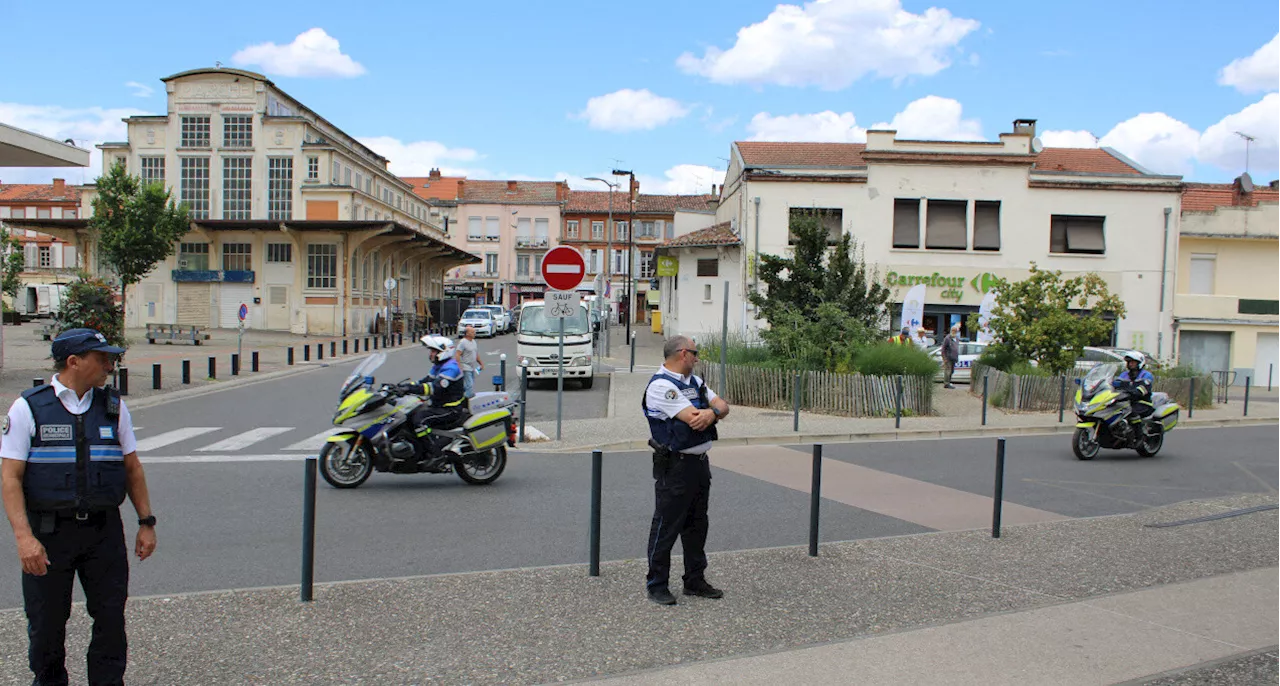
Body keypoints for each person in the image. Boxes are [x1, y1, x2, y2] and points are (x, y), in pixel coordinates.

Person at [1, 328, 157, 686]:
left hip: (103, 532)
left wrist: (146, 521)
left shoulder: (114, 407)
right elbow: (10, 478)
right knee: (46, 622)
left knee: (110, 618)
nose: (109, 364)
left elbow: (132, 467)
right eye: (101, 357)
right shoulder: (29, 407)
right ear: (74, 362)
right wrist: (24, 538)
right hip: (49, 533)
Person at [642, 335, 731, 606]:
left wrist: (712, 414)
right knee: (666, 527)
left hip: (699, 463)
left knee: (697, 525)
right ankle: (657, 584)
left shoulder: (695, 381)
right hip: (675, 465)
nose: (697, 357)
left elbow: (723, 406)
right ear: (683, 354)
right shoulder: (661, 386)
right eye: (695, 353)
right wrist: (709, 413)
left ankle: (695, 580)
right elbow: (693, 419)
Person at [413, 335, 470, 457]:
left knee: (419, 420)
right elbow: (425, 381)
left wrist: (410, 388)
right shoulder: (439, 366)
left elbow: (433, 387)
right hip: (439, 406)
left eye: (434, 351)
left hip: (450, 409)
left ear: (444, 351)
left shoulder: (451, 368)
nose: (431, 354)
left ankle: (432, 451)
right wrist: (402, 387)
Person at [1112, 351, 1155, 420]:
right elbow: (1114, 384)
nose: (1130, 364)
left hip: (1142, 402)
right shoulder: (1124, 375)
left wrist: (1132, 392)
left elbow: (1143, 389)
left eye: (1133, 362)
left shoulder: (1146, 375)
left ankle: (1140, 430)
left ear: (1139, 363)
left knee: (1131, 413)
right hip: (1125, 402)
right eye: (1129, 362)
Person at [456, 326, 483, 399]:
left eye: (474, 332)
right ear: (467, 334)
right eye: (472, 332)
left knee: (468, 384)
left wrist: (481, 363)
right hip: (465, 366)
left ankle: (459, 396)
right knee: (469, 385)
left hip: (472, 366)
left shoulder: (473, 342)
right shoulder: (463, 342)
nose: (474, 333)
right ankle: (466, 400)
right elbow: (457, 354)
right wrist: (459, 366)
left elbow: (476, 354)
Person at [941, 324, 961, 389]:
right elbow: (943, 349)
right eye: (952, 330)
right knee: (948, 371)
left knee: (952, 371)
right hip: (948, 357)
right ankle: (946, 383)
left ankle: (949, 382)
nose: (954, 332)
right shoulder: (947, 338)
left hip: (954, 358)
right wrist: (944, 358)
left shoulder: (957, 339)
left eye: (955, 331)